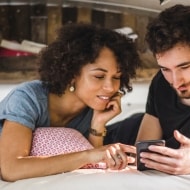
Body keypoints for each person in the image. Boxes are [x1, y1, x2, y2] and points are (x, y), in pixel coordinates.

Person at [0, 23, 141, 181]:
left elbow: (94, 167)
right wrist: (88, 155)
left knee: (138, 120)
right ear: (72, 73)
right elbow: (11, 169)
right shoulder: (27, 98)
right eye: (99, 76)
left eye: (116, 77)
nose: (110, 87)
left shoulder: (92, 107)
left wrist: (98, 125)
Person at [136, 4, 190, 175]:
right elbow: (144, 152)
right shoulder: (161, 82)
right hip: (124, 132)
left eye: (185, 66)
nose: (175, 81)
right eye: (165, 69)